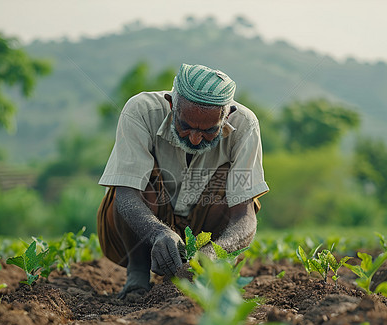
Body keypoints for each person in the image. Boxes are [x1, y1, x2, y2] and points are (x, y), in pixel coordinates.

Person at [97, 63, 268, 298]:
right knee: (133, 181)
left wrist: (214, 252)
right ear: (171, 106)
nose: (196, 139)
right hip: (146, 223)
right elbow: (126, 193)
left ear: (227, 115)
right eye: (185, 126)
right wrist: (157, 232)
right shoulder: (141, 110)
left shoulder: (245, 125)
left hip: (204, 224)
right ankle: (137, 274)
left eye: (209, 131)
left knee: (229, 185)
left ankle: (206, 277)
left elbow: (244, 215)